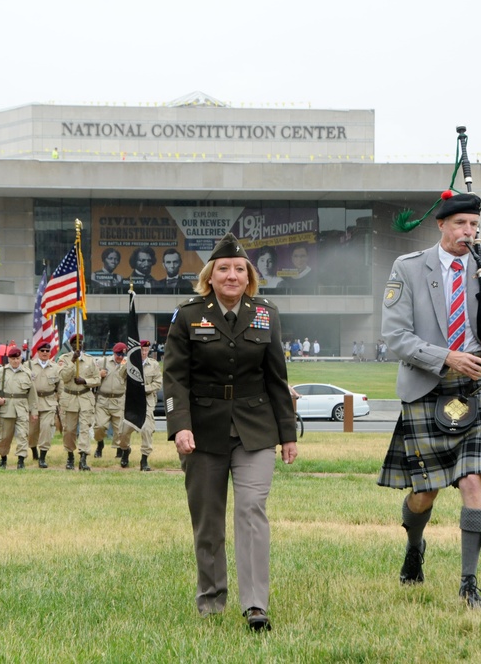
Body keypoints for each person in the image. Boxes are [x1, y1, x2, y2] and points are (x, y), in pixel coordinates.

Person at [378, 192, 481, 611]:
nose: (469, 232)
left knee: (473, 482)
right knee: (424, 493)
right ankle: (414, 545)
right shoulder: (408, 268)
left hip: (475, 387)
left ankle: (469, 584)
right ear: (442, 226)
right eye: (461, 224)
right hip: (426, 386)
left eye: (474, 226)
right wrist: (446, 356)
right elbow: (395, 336)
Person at [163, 232, 298, 632]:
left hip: (256, 429)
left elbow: (277, 378)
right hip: (203, 431)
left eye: (240, 269)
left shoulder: (265, 313)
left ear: (249, 277)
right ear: (210, 276)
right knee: (208, 520)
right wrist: (180, 427)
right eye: (224, 268)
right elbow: (174, 379)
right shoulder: (188, 315)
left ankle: (256, 604)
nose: (232, 275)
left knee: (251, 509)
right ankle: (211, 598)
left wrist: (287, 434)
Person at [0, 346, 39, 469]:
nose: (15, 361)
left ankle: (21, 460)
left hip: (22, 408)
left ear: (21, 358)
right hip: (6, 408)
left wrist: (34, 411)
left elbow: (32, 394)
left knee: (22, 435)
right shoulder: (1, 372)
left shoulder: (27, 373)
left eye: (17, 358)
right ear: (8, 359)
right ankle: (3, 458)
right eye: (13, 358)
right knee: (5, 436)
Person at [57, 334, 102, 471]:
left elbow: (98, 379)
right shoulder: (63, 359)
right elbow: (63, 377)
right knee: (69, 430)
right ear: (71, 345)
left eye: (80, 343)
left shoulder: (90, 360)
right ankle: (70, 455)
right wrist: (73, 360)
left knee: (84, 429)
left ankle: (83, 458)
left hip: (85, 398)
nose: (78, 345)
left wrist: (85, 381)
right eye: (75, 343)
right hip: (70, 398)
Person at [116, 339, 162, 471]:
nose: (144, 353)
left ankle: (144, 459)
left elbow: (157, 383)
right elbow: (121, 376)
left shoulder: (153, 365)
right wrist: (129, 362)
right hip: (130, 402)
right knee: (123, 432)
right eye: (142, 350)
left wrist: (144, 389)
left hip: (146, 402)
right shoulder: (129, 363)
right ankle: (125, 450)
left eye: (146, 350)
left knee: (147, 430)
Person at [93, 342, 130, 463]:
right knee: (99, 426)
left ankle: (120, 449)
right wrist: (99, 374)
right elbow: (91, 377)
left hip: (119, 400)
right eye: (118, 354)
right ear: (114, 353)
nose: (120, 357)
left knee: (120, 430)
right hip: (103, 400)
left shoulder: (127, 364)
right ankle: (100, 444)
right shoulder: (102, 362)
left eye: (122, 355)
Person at [27, 342, 61, 468]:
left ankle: (42, 457)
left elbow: (60, 387)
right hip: (33, 402)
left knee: (46, 428)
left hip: (49, 402)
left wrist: (61, 402)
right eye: (42, 350)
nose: (45, 353)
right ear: (38, 352)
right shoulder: (29, 366)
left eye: (47, 350)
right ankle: (33, 450)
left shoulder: (56, 367)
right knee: (31, 431)